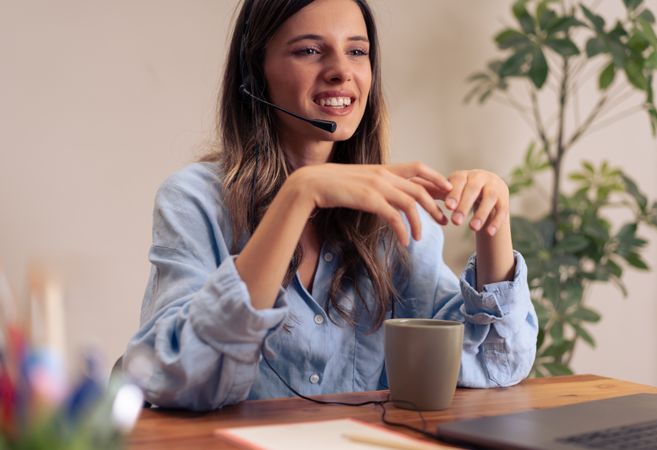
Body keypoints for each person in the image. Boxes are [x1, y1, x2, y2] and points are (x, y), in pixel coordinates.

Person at [122, 0, 538, 411]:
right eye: (309, 50)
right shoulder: (193, 200)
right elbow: (173, 377)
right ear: (255, 72)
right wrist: (299, 195)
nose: (341, 70)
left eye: (357, 51)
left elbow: (491, 364)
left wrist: (493, 228)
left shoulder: (395, 212)